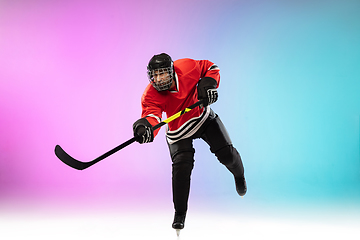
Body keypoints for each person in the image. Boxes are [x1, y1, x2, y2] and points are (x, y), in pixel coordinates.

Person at [132, 53, 247, 230]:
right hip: (178, 131)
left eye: (162, 73)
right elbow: (151, 115)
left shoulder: (186, 67)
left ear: (171, 71)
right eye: (154, 75)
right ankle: (180, 213)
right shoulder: (150, 94)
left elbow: (211, 67)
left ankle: (239, 175)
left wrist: (207, 84)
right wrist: (145, 127)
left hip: (203, 118)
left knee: (227, 155)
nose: (158, 78)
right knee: (181, 168)